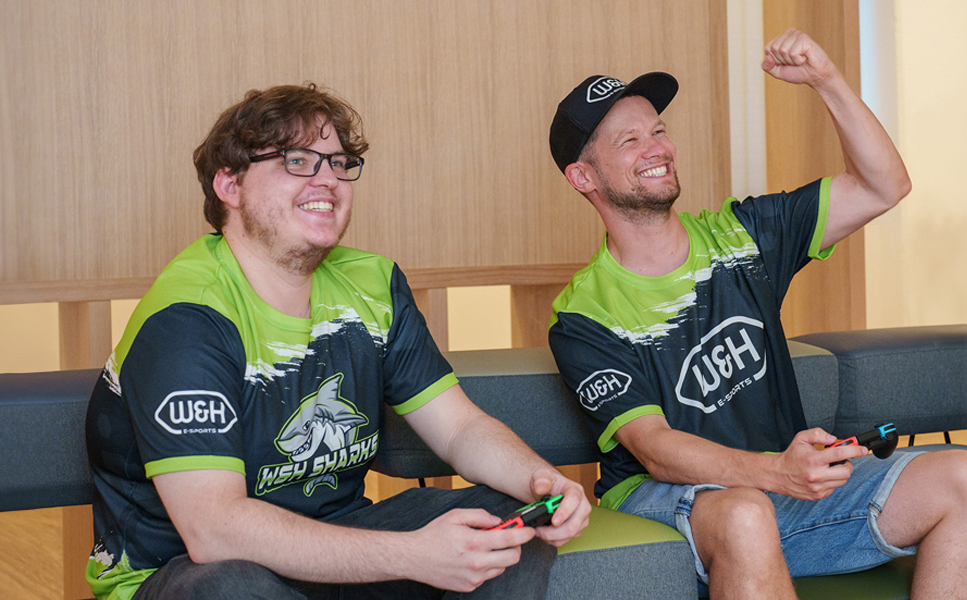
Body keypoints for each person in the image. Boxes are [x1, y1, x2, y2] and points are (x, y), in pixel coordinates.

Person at [84, 82, 590, 600]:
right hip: (187, 570)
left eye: (339, 162)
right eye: (298, 160)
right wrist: (416, 555)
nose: (327, 179)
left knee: (506, 525)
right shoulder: (187, 318)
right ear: (229, 185)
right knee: (230, 585)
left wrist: (541, 483)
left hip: (340, 541)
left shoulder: (373, 284)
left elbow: (459, 428)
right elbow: (214, 529)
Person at [546, 28, 967, 599]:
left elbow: (885, 185)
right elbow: (654, 447)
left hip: (780, 486)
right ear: (584, 177)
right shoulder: (584, 313)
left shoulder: (742, 237)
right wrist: (775, 472)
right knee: (744, 514)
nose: (656, 147)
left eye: (658, 130)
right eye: (628, 141)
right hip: (666, 500)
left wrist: (827, 80)